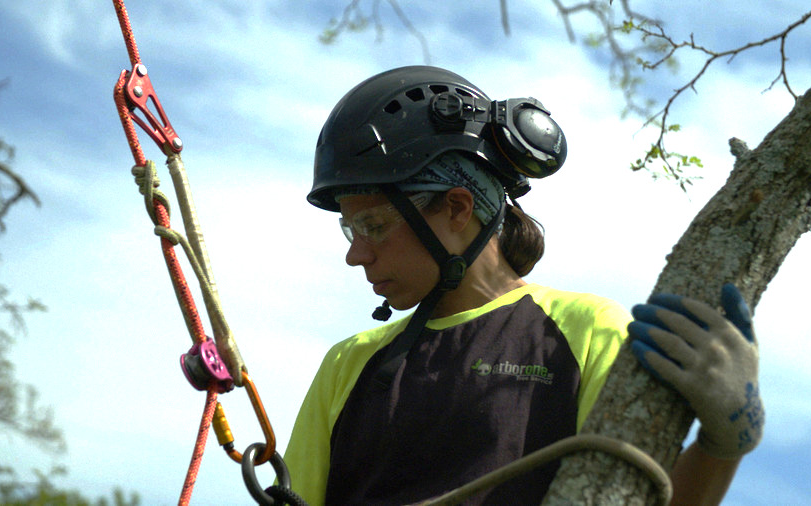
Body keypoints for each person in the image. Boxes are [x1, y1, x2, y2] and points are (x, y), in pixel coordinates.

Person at [284, 65, 764, 505]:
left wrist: (724, 444)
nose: (356, 254)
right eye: (350, 230)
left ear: (456, 207)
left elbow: (634, 494)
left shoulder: (585, 331)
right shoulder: (348, 366)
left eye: (373, 225)